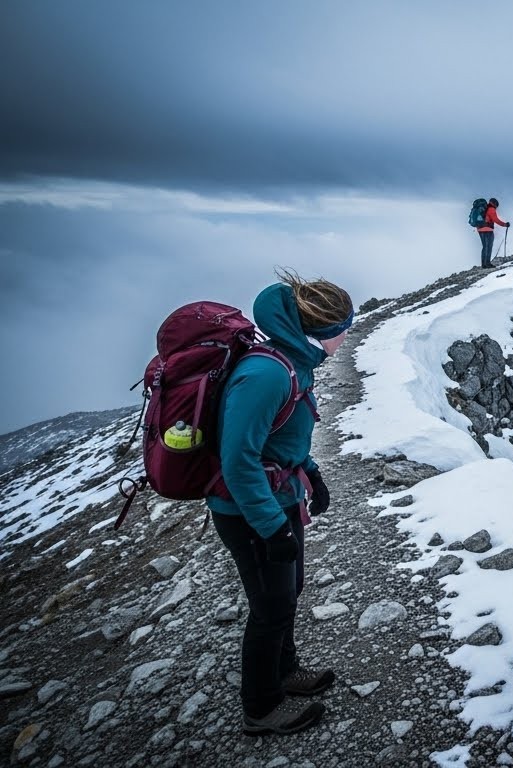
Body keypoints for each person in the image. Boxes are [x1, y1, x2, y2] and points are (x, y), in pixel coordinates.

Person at [206, 268, 353, 736]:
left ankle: (285, 672)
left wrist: (309, 470)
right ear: (316, 332)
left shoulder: (294, 362)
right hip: (249, 511)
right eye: (342, 330)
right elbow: (238, 459)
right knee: (270, 606)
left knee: (288, 593)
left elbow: (283, 435)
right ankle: (262, 707)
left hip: (279, 497)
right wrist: (271, 527)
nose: (347, 338)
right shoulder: (267, 373)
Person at [477, 197, 510, 268]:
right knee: (489, 246)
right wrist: (505, 224)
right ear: (495, 204)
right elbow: (496, 220)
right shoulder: (491, 209)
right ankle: (487, 263)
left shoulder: (485, 209)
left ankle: (483, 264)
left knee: (484, 246)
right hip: (488, 230)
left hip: (480, 229)